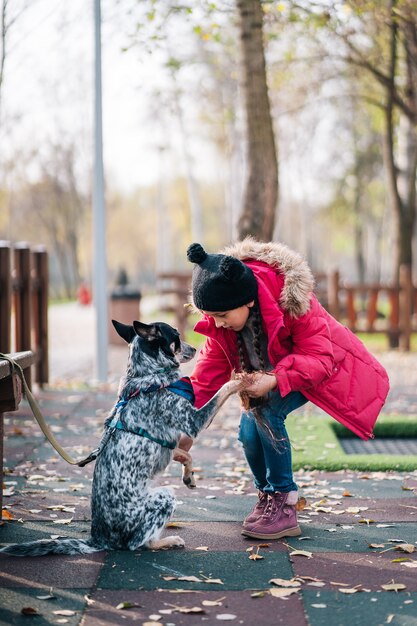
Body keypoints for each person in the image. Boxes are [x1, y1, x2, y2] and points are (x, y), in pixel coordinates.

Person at [181, 238, 389, 541]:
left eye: (223, 317)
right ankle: (266, 496)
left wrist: (275, 378)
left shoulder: (292, 300)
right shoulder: (220, 314)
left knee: (266, 412)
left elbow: (320, 358)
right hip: (272, 374)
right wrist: (187, 429)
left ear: (248, 301)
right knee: (247, 430)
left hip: (314, 370)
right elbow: (206, 377)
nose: (217, 324)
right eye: (211, 317)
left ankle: (284, 500)